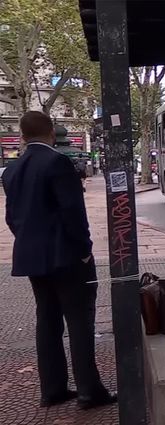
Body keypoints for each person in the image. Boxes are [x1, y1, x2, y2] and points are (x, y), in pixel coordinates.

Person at [2, 111, 116, 410]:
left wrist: (30, 242)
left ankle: (52, 389)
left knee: (47, 321)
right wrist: (84, 249)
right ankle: (89, 391)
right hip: (66, 256)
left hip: (32, 259)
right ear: (51, 132)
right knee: (79, 322)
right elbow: (73, 215)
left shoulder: (11, 170)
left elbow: (12, 218)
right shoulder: (58, 162)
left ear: (22, 136)